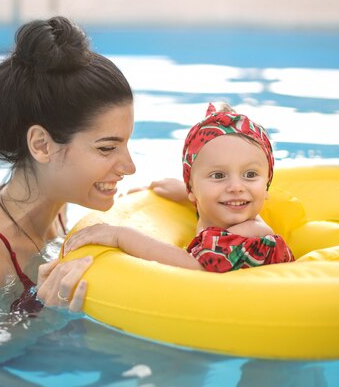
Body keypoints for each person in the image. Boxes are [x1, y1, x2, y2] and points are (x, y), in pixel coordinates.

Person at [0, 16, 136, 312]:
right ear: (41, 145)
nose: (129, 167)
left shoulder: (56, 207)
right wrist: (45, 314)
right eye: (107, 148)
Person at [64, 102, 295, 272]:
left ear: (267, 185)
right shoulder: (222, 214)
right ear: (192, 189)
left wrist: (121, 236)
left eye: (250, 174)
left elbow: (194, 266)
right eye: (218, 175)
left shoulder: (253, 232)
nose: (236, 187)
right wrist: (185, 196)